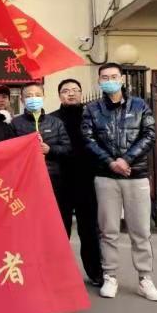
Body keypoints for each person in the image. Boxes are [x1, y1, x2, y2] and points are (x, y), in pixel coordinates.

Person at [82, 62, 157, 302]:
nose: (109, 81)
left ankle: (145, 278)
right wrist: (110, 162)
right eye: (105, 77)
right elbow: (88, 139)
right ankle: (110, 276)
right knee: (108, 230)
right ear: (99, 81)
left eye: (113, 76)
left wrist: (126, 159)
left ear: (122, 79)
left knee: (141, 231)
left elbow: (149, 135)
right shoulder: (92, 109)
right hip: (105, 176)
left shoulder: (139, 105)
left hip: (135, 175)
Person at [51, 79, 103, 286]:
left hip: (87, 181)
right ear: (59, 95)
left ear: (81, 93)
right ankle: (58, 274)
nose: (71, 94)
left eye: (75, 90)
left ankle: (95, 272)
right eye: (66, 91)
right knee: (60, 230)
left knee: (89, 230)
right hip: (60, 182)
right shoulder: (51, 119)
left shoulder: (93, 117)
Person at [11, 82, 73, 242]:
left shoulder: (56, 123)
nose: (33, 98)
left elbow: (67, 149)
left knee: (55, 221)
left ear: (44, 97)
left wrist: (49, 149)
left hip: (53, 180)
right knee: (29, 222)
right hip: (27, 181)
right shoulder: (15, 123)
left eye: (37, 95)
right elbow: (10, 152)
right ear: (22, 99)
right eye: (29, 96)